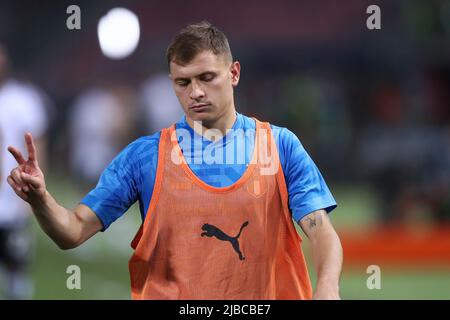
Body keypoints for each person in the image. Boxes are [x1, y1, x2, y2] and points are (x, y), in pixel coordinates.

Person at [6, 21, 342, 300]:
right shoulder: (145, 157)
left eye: (206, 77)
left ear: (234, 73)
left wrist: (327, 286)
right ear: (172, 84)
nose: (195, 92)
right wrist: (40, 199)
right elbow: (73, 231)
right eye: (183, 82)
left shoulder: (279, 146)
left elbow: (321, 231)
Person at [0, 43, 49, 299]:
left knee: (16, 272)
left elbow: (37, 146)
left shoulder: (23, 99)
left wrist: (36, 196)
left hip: (12, 199)